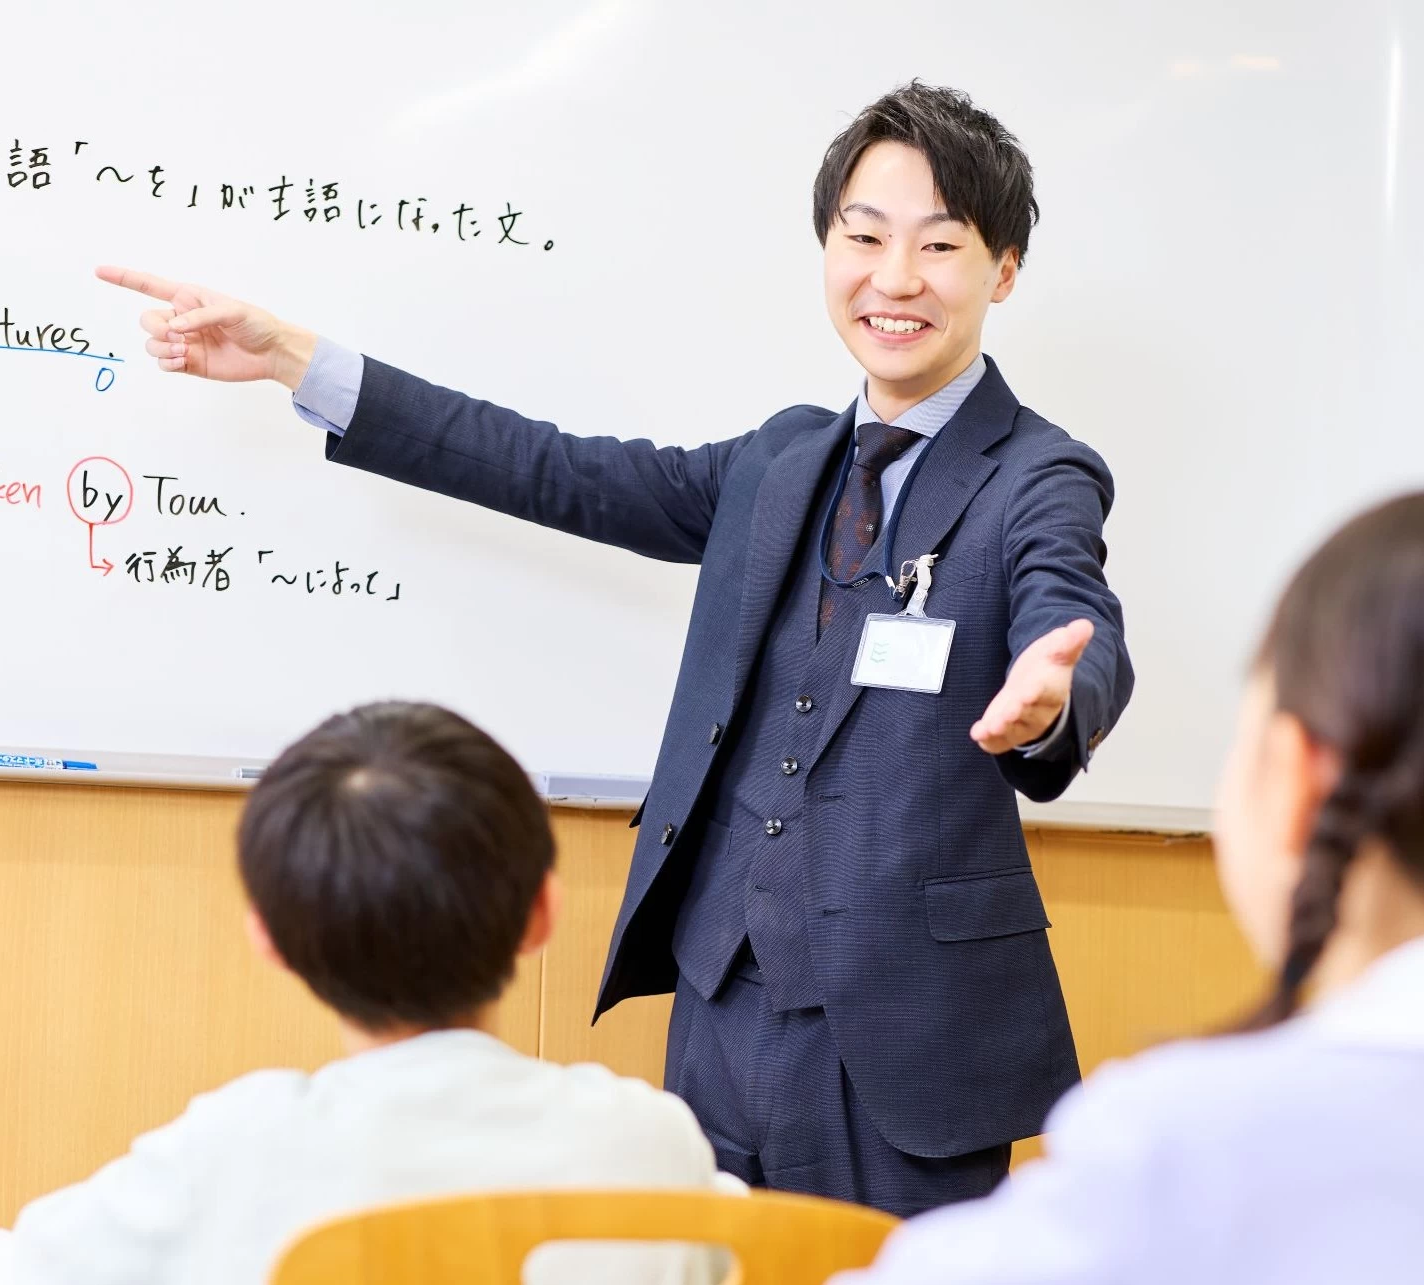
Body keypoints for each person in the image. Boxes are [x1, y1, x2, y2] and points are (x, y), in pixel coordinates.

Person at [100, 80, 1135, 1216]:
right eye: (865, 236)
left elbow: (1069, 610)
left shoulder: (1038, 471)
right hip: (720, 999)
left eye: (939, 245)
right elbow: (559, 469)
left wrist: (1059, 688)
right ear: (827, 246)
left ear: (1003, 270)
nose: (895, 279)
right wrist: (299, 357)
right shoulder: (782, 460)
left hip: (907, 1034)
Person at [0, 702, 736, 1285]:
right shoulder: (648, 1141)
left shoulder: (232, 1149)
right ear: (543, 913)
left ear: (271, 938)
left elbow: (25, 1262)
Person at [830, 492, 1424, 1283]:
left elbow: (1074, 620)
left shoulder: (1185, 1143)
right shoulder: (782, 452)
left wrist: (1061, 707)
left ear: (1295, 782)